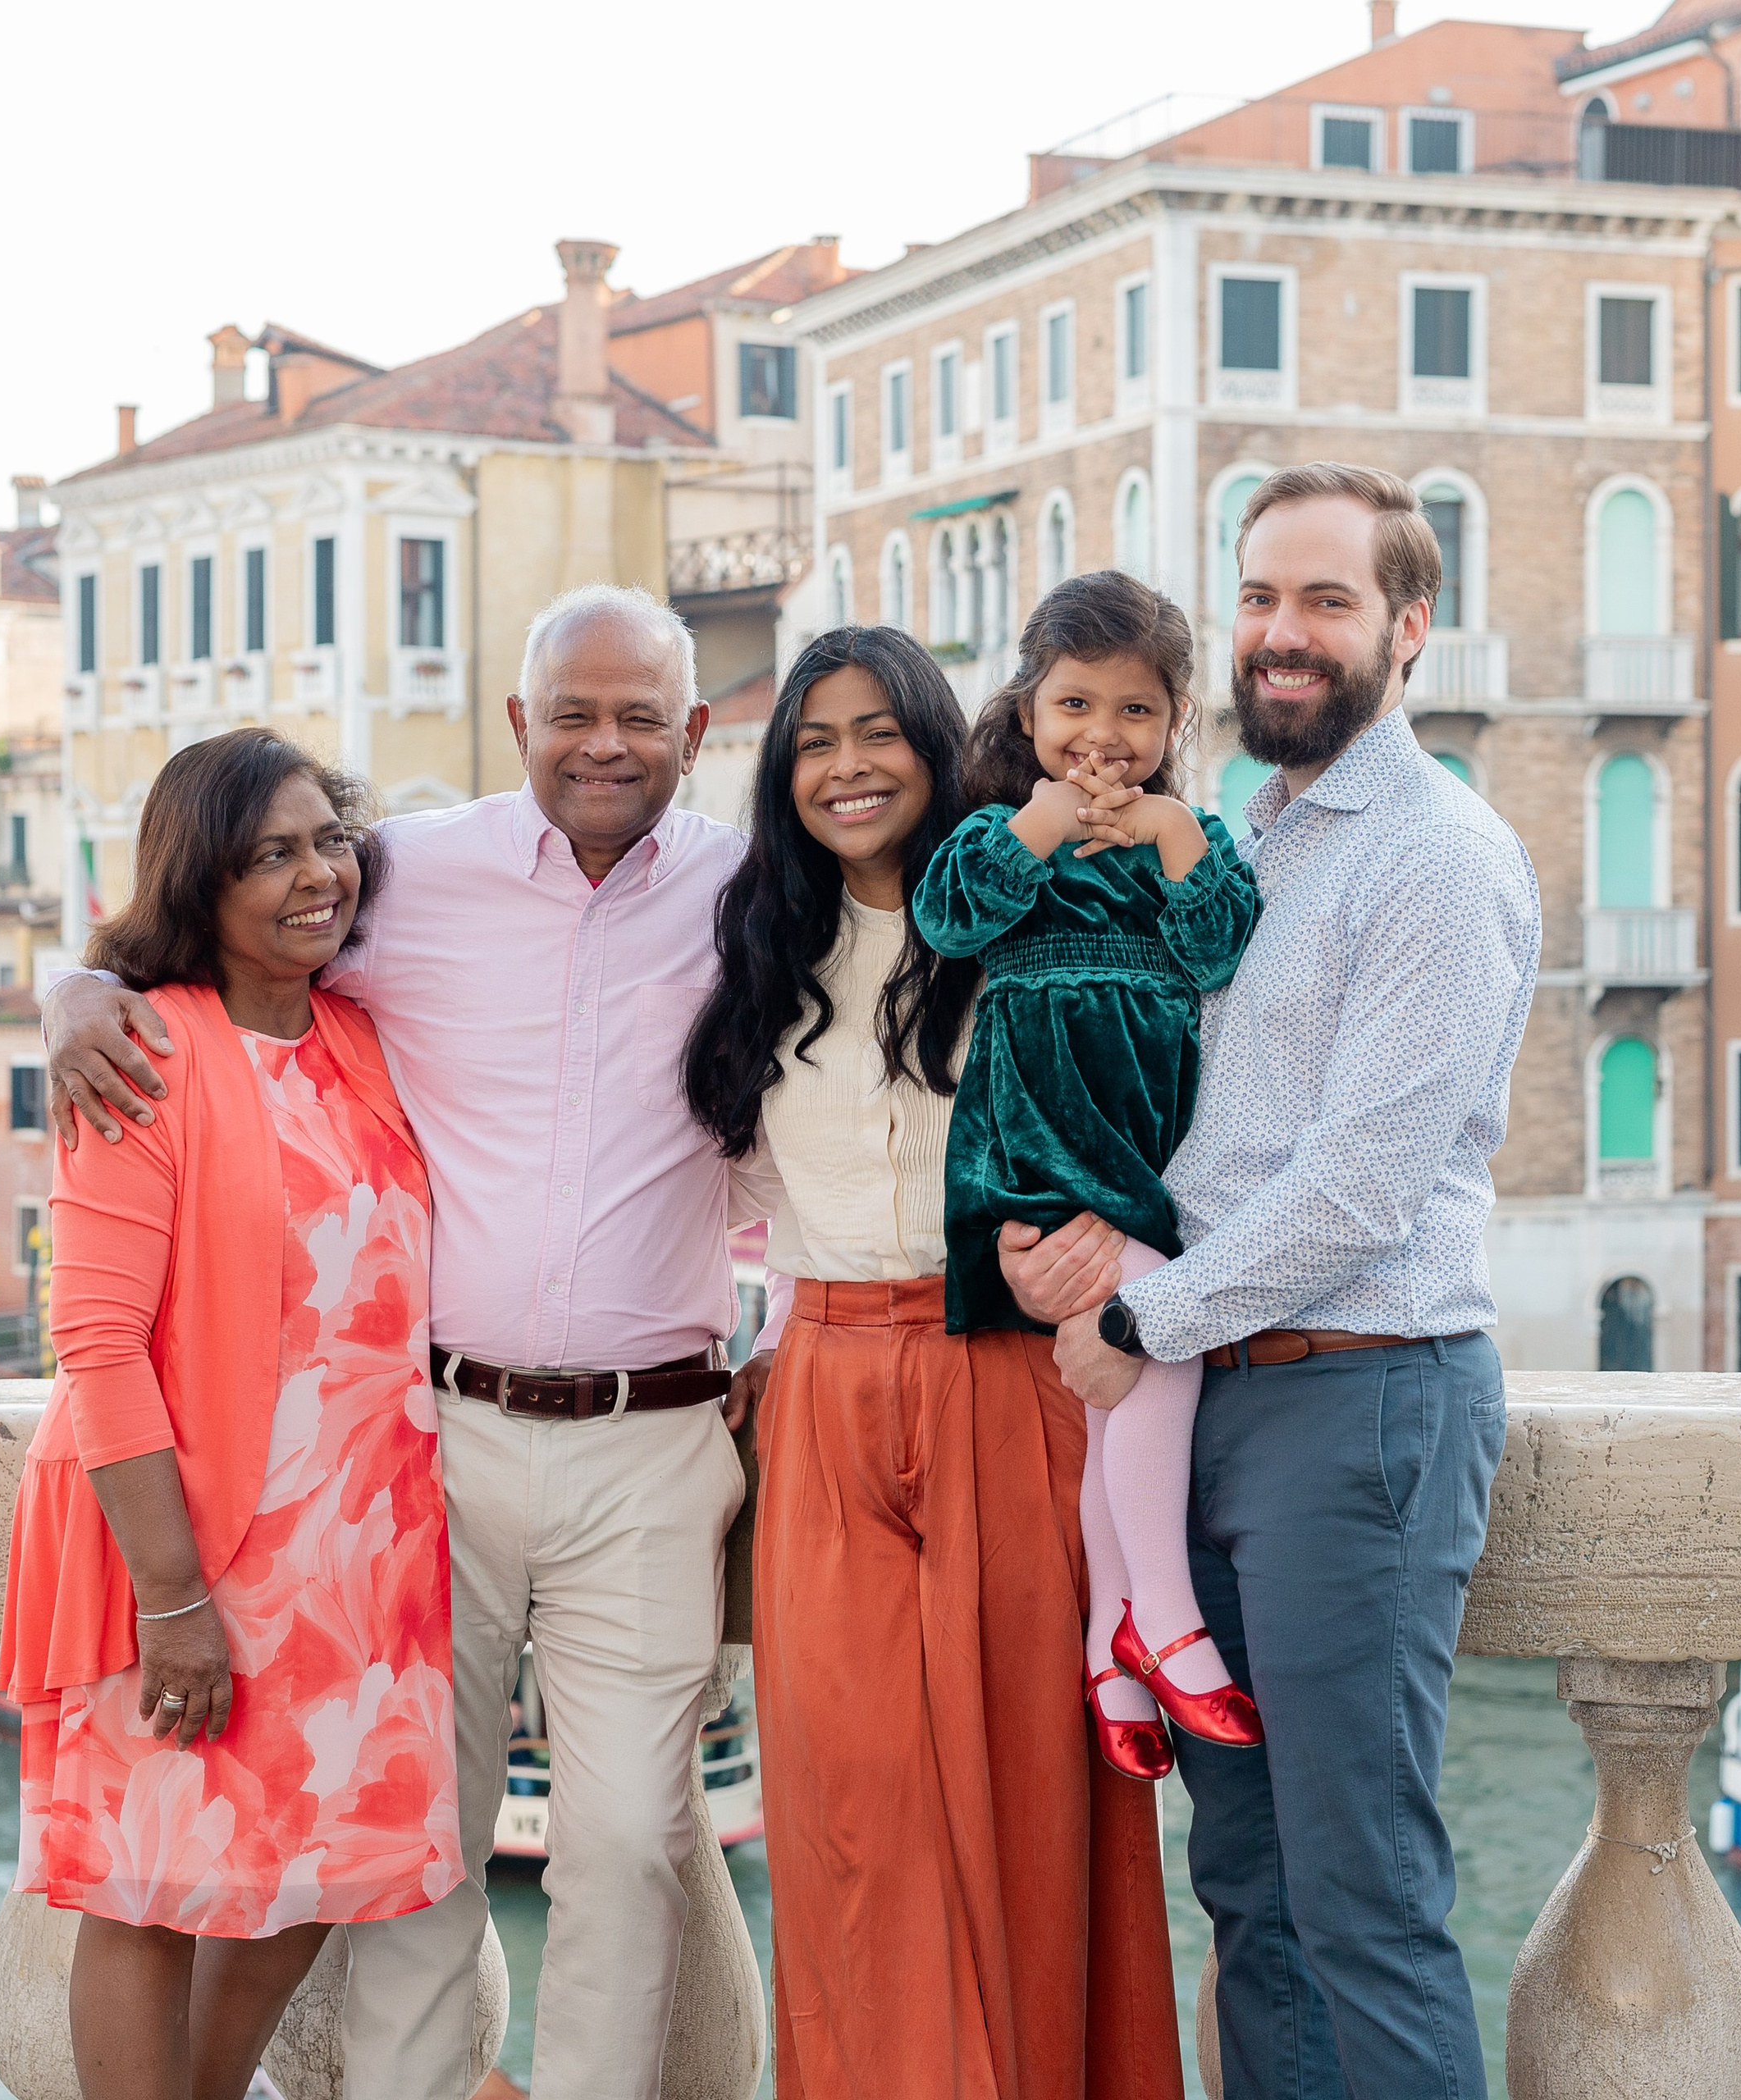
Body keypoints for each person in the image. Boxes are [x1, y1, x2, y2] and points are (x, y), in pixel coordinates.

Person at [41, 585, 777, 2100]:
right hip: (378, 1482)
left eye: (641, 714)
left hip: (555, 1468)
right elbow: (104, 1309)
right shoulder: (390, 893)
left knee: (610, 1843)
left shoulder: (753, 894)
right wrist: (73, 990)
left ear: (697, 734)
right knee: (376, 1854)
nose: (603, 743)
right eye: (571, 710)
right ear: (518, 723)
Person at [1008, 463, 1542, 2099]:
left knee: (1361, 1897)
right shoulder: (1231, 837)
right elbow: (1185, 1124)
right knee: (1246, 1887)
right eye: (1256, 596)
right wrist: (1068, 1236)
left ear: (1405, 627)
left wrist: (1132, 1316)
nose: (1281, 633)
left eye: (1323, 600)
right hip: (1213, 1405)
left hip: (1356, 1404)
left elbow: (1358, 1186)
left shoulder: (1438, 854)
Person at [683, 623, 1183, 2100]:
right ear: (783, 772)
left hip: (1010, 1375)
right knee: (851, 1816)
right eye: (815, 741)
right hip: (823, 1382)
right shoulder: (759, 944)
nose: (848, 766)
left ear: (939, 742)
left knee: (1036, 1806)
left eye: (878, 733)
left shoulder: (1032, 909)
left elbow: (1173, 1086)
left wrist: (1113, 1226)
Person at [0, 728, 459, 2100]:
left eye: (329, 839)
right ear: (199, 882)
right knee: (142, 1884)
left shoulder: (364, 1037)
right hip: (186, 1547)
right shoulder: (140, 1051)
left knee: (321, 1866)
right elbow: (95, 1340)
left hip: (362, 1558)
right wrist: (170, 1600)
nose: (316, 875)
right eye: (270, 853)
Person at [910, 571, 1263, 1782]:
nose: (1102, 738)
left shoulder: (1189, 839)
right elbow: (951, 918)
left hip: (1141, 1152)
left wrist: (1169, 834)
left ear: (1174, 728)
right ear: (1024, 714)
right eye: (1073, 705)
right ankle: (1164, 1617)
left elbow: (1222, 952)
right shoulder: (1003, 838)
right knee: (1150, 1329)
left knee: (1122, 1397)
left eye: (1134, 712)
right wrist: (1045, 821)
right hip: (1036, 1153)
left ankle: (1115, 1657)